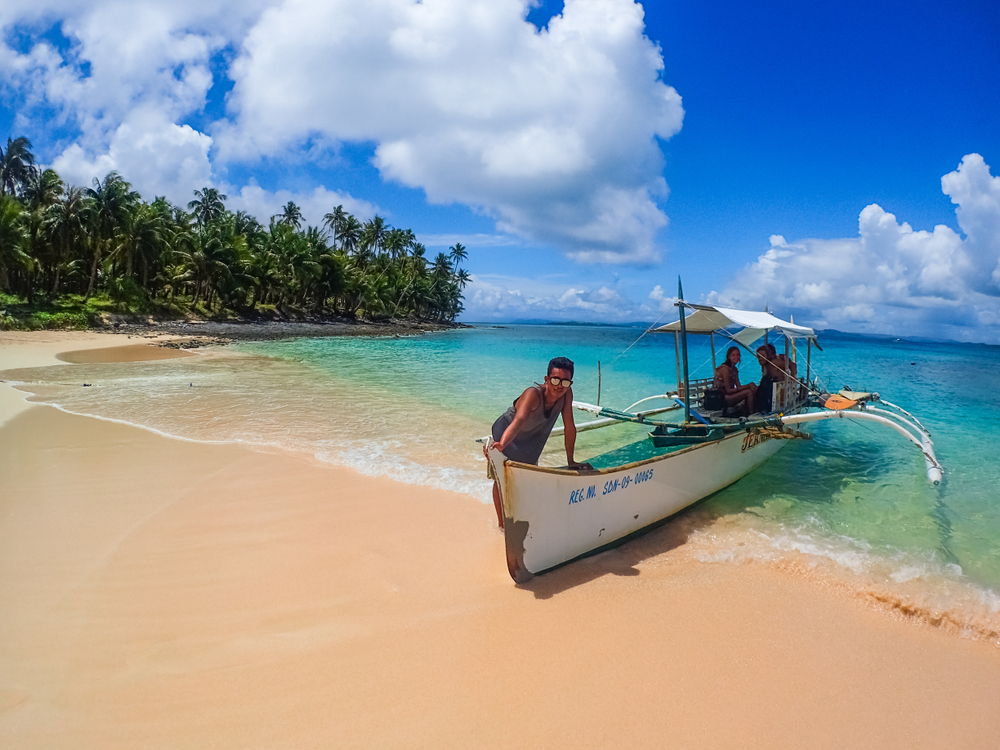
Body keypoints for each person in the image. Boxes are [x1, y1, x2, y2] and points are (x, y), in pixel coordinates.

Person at [485, 356, 586, 529]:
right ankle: (503, 526)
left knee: (526, 482)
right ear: (547, 379)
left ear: (571, 383)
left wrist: (571, 461)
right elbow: (519, 420)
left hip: (530, 439)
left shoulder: (566, 394)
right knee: (501, 481)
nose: (559, 386)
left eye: (565, 382)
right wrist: (501, 444)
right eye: (555, 379)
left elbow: (569, 426)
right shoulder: (533, 394)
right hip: (506, 434)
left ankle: (521, 520)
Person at [713, 346, 756, 416]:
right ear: (728, 357)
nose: (736, 357)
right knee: (748, 392)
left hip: (728, 396)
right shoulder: (725, 369)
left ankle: (748, 412)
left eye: (738, 355)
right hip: (721, 398)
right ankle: (751, 415)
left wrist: (750, 386)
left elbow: (738, 386)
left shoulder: (734, 369)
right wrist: (747, 386)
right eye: (733, 355)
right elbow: (728, 390)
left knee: (751, 389)